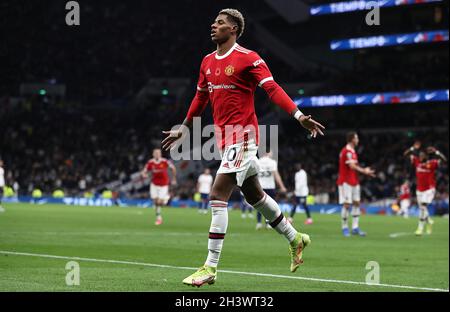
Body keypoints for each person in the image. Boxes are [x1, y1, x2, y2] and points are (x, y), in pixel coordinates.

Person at [161, 8, 325, 287]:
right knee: (254, 195)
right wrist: (184, 127)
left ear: (234, 29)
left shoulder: (249, 58)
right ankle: (295, 238)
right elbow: (200, 98)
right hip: (225, 140)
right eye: (214, 21)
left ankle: (210, 267)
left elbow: (272, 88)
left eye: (221, 23)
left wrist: (299, 116)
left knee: (217, 194)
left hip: (244, 136)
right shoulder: (207, 62)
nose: (214, 25)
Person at [404, 141, 447, 236]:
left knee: (423, 207)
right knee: (423, 208)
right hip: (419, 190)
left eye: (422, 155)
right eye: (420, 155)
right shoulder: (417, 162)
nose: (421, 156)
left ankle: (420, 228)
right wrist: (412, 148)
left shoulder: (432, 163)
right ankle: (429, 222)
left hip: (429, 190)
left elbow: (444, 160)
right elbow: (405, 154)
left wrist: (436, 152)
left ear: (426, 156)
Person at [337, 132, 376, 237]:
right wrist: (364, 171)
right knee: (347, 204)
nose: (358, 140)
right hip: (345, 181)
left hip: (354, 180)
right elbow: (352, 166)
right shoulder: (347, 151)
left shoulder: (352, 151)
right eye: (356, 138)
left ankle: (355, 227)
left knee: (357, 203)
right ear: (352, 139)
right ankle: (344, 227)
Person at [141, 149, 177, 225]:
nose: (157, 154)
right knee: (155, 202)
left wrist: (174, 178)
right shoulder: (150, 162)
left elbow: (173, 168)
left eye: (158, 153)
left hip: (164, 184)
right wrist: (144, 174)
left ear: (160, 154)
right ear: (153, 154)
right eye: (155, 153)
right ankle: (159, 218)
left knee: (160, 202)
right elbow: (144, 171)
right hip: (154, 184)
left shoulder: (165, 161)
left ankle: (166, 198)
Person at [256, 151, 287, 229]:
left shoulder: (258, 161)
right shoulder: (272, 162)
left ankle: (259, 223)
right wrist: (282, 186)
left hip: (260, 186)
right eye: (271, 152)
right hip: (270, 187)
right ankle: (268, 223)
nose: (272, 154)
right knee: (270, 206)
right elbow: (276, 175)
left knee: (259, 205)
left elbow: (255, 175)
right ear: (268, 153)